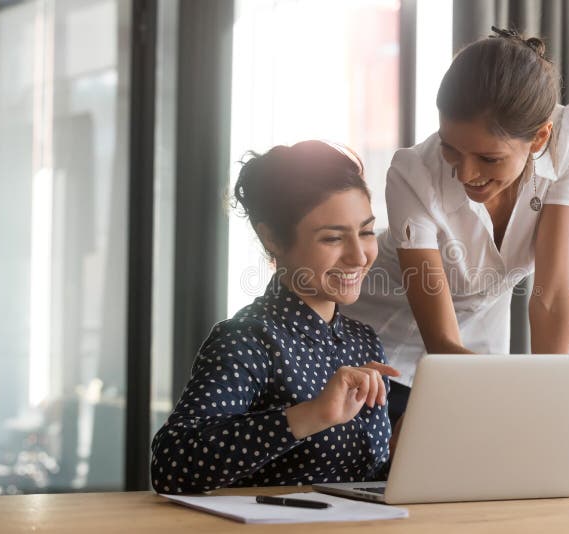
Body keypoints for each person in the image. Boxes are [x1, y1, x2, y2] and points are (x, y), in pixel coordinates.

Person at [344, 27, 569, 482]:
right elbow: (439, 343)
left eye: (489, 159)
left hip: (479, 358)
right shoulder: (413, 173)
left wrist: (555, 437)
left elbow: (552, 296)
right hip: (388, 359)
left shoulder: (565, 138)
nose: (466, 174)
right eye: (451, 150)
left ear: (538, 139)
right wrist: (525, 425)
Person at [151, 141, 400, 493]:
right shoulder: (248, 339)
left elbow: (363, 476)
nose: (359, 255)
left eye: (366, 232)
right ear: (272, 239)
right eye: (333, 238)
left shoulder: (363, 341)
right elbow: (171, 464)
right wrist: (312, 415)